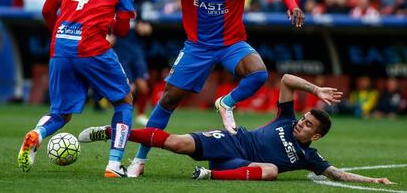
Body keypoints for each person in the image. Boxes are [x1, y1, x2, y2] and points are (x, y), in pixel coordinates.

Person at [126, 0, 305, 177]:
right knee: (168, 100)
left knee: (258, 73)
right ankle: (139, 159)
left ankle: (226, 102)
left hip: (231, 44)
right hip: (197, 47)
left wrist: (292, 5)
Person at [78, 74, 393, 184]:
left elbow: (337, 174)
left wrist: (373, 179)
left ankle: (209, 176)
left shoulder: (309, 157)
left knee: (269, 170)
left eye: (308, 124)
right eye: (303, 118)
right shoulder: (285, 118)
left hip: (239, 166)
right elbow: (285, 80)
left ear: (316, 136)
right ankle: (111, 131)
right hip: (232, 141)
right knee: (174, 143)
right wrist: (315, 90)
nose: (301, 123)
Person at [17, 0, 136, 178]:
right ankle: (114, 164)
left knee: (61, 112)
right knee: (124, 101)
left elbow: (49, 8)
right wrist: (113, 23)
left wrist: (59, 33)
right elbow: (124, 28)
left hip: (61, 45)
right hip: (93, 47)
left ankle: (36, 134)